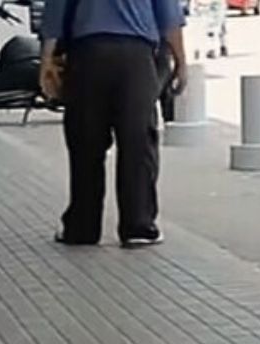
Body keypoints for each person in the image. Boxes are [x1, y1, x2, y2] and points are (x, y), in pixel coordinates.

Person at [40, 0, 189, 248]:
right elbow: (168, 16)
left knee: (86, 142)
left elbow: (56, 11)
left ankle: (82, 228)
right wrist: (181, 61)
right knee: (137, 141)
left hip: (87, 54)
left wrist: (47, 59)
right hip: (136, 57)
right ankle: (138, 226)